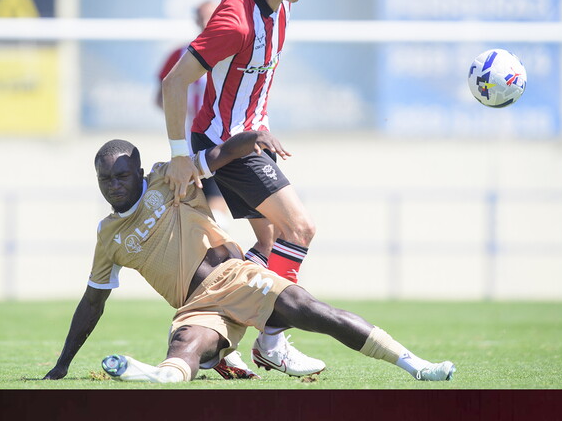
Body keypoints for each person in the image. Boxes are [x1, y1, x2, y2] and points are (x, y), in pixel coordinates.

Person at [42, 132, 457, 384]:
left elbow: (220, 155)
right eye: (105, 179)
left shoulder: (169, 176)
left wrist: (253, 136)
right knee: (187, 344)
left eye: (122, 175)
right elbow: (92, 301)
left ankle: (415, 365)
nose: (114, 185)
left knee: (310, 310)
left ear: (137, 171)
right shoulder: (108, 236)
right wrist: (62, 365)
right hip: (196, 307)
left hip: (236, 277)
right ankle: (160, 375)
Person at [160, 0, 326, 374]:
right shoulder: (235, 19)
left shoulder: (281, 3)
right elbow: (174, 83)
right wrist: (179, 155)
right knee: (301, 229)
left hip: (252, 138)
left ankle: (210, 322)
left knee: (270, 243)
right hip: (226, 144)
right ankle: (271, 341)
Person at [154, 0, 232, 231]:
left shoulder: (233, 51)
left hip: (221, 140)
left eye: (212, 15)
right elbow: (162, 96)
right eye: (203, 16)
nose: (208, 21)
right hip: (189, 145)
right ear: (196, 20)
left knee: (218, 215)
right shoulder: (180, 54)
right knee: (190, 207)